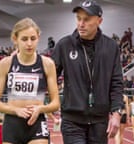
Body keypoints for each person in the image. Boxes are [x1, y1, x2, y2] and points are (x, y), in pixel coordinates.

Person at [51, 0, 124, 143]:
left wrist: (116, 113)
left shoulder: (111, 47)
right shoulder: (64, 45)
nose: (81, 24)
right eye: (78, 18)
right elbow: (48, 76)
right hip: (72, 120)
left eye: (86, 19)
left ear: (99, 21)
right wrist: (26, 59)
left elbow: (117, 83)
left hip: (100, 122)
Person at [0, 17, 60, 144]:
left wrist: (40, 109)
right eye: (24, 39)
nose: (29, 43)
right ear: (15, 39)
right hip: (12, 123)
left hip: (36, 122)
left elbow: (55, 103)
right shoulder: (6, 64)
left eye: (33, 39)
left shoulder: (47, 64)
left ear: (38, 37)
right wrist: (15, 110)